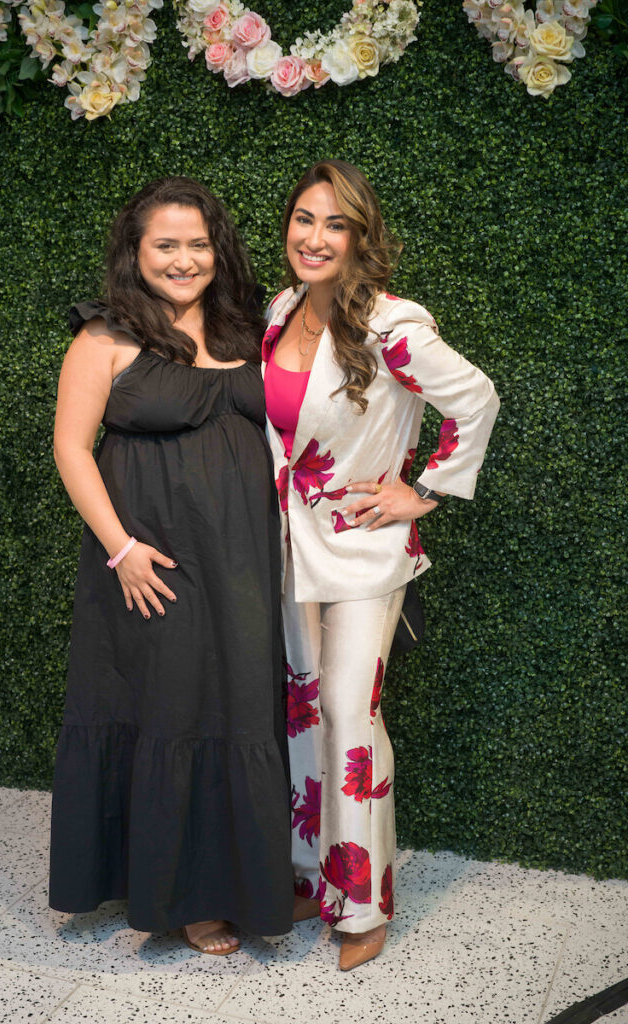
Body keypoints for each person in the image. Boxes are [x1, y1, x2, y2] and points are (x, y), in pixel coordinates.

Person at [262, 160, 499, 971]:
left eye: (335, 224)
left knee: (347, 715)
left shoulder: (393, 325)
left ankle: (362, 899)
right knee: (299, 707)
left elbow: (475, 396)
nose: (314, 237)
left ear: (361, 238)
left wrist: (421, 491)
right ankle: (306, 872)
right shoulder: (276, 310)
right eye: (303, 219)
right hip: (286, 546)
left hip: (364, 548)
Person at [49, 177, 293, 955]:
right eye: (167, 245)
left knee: (241, 705)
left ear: (218, 250)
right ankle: (184, 895)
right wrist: (120, 548)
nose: (185, 260)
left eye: (199, 244)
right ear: (136, 251)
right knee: (176, 710)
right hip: (153, 560)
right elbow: (70, 448)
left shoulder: (253, 332)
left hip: (248, 561)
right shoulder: (104, 338)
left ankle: (245, 875)